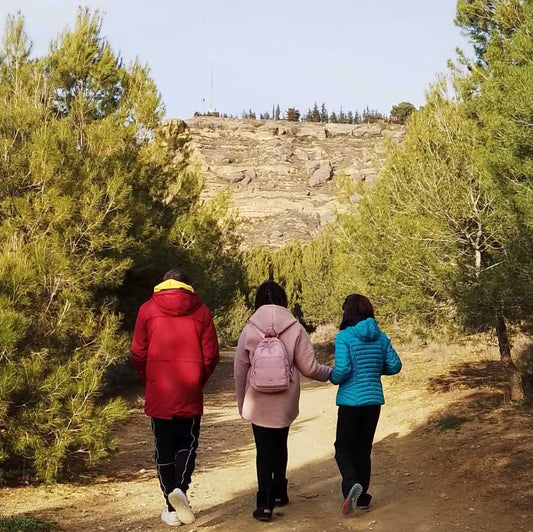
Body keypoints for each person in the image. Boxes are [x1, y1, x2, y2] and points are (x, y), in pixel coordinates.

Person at [234, 280, 332, 522]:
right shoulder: (296, 328)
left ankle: (264, 503)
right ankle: (280, 492)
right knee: (280, 444)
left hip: (257, 401)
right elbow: (309, 368)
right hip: (285, 399)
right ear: (284, 300)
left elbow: (239, 370)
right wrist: (332, 374)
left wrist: (241, 402)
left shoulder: (249, 329)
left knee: (263, 450)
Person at [131, 268, 220, 527]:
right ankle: (180, 488)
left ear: (163, 283)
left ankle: (170, 508)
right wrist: (198, 379)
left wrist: (148, 379)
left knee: (163, 447)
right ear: (188, 287)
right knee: (187, 443)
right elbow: (211, 355)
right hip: (189, 388)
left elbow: (138, 352)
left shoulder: (147, 309)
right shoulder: (201, 311)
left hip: (159, 388)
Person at [329, 293, 402, 515]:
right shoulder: (381, 336)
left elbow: (342, 370)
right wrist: (374, 369)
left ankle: (351, 485)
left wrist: (333, 378)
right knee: (363, 449)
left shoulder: (344, 337)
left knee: (342, 448)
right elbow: (395, 365)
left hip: (351, 402)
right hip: (373, 401)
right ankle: (362, 497)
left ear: (348, 312)